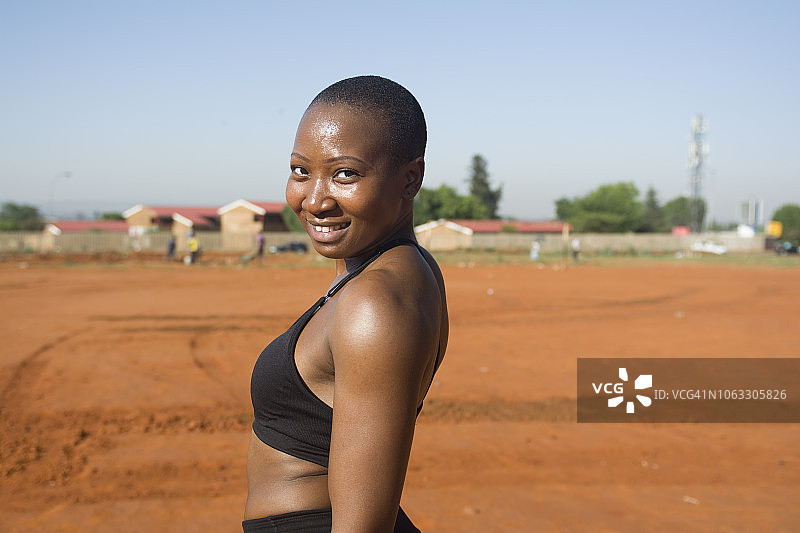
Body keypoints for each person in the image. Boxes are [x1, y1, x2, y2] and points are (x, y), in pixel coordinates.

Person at [245, 76, 448, 532]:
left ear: (409, 179)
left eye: (345, 174)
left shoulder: (377, 302)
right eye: (301, 171)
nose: (314, 200)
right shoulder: (387, 270)